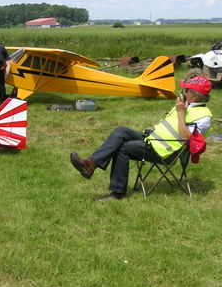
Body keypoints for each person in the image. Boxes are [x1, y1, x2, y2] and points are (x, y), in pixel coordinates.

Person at [69, 76, 213, 201]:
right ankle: (91, 164)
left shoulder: (203, 116)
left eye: (187, 90)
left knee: (123, 148)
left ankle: (117, 193)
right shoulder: (186, 105)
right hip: (153, 139)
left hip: (166, 151)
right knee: (121, 131)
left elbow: (185, 138)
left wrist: (181, 112)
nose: (184, 92)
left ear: (195, 95)